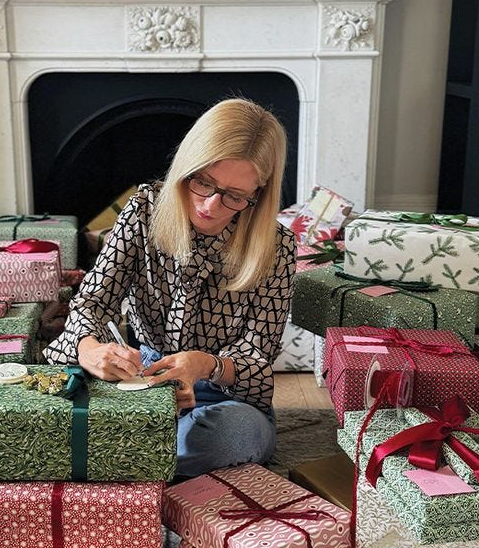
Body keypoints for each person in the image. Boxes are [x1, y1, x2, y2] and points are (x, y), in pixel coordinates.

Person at [44, 98, 297, 478]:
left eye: (233, 196)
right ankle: (144, 455)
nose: (209, 205)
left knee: (232, 436)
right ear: (187, 167)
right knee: (48, 410)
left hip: (224, 397)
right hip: (140, 381)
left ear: (257, 194)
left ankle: (119, 455)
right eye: (203, 182)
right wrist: (92, 351)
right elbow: (91, 304)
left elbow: (257, 360)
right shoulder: (143, 210)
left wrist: (203, 365)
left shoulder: (277, 246)